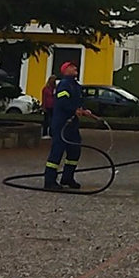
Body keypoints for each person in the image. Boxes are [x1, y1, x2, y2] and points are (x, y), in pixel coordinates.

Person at [44, 62, 91, 190]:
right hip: (61, 125)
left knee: (74, 151)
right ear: (65, 71)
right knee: (57, 152)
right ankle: (49, 181)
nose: (75, 68)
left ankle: (67, 177)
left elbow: (78, 102)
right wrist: (74, 110)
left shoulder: (76, 86)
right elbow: (62, 102)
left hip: (72, 125)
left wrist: (83, 109)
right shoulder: (64, 85)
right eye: (71, 67)